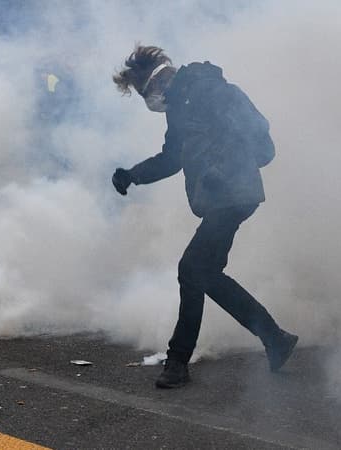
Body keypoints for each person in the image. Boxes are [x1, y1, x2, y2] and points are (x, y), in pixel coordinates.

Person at [111, 45, 297, 389]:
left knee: (191, 270)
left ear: (159, 78)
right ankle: (275, 339)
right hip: (219, 198)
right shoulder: (179, 107)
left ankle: (178, 363)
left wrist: (222, 170)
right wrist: (133, 175)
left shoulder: (209, 90)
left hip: (234, 193)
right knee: (206, 274)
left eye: (144, 92)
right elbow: (172, 158)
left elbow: (253, 132)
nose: (148, 100)